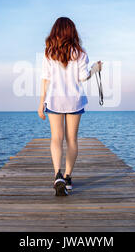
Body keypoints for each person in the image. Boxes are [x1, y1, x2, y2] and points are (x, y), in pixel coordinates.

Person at [38, 17, 102, 196]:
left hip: (54, 100)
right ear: (72, 31)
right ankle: (67, 177)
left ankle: (57, 174)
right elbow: (83, 77)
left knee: (56, 138)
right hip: (74, 100)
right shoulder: (80, 53)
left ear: (55, 31)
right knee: (72, 140)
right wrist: (95, 69)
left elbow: (45, 79)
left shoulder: (49, 52)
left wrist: (41, 102)